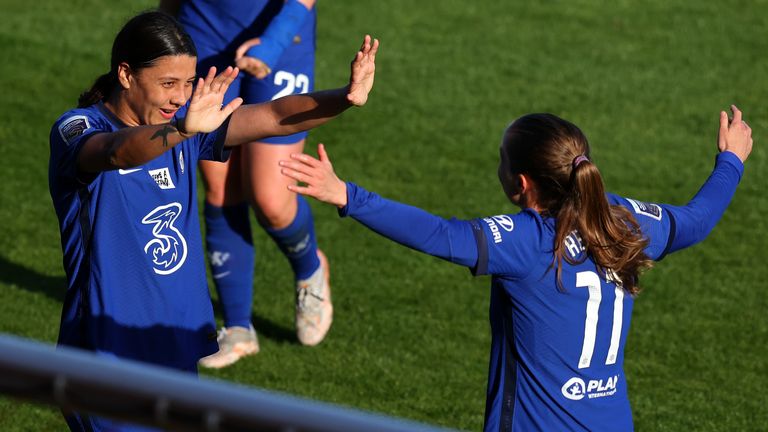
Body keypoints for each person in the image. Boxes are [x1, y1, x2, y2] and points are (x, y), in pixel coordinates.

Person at [278, 108, 752, 431]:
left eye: (502, 160)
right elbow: (697, 220)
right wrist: (730, 161)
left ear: (519, 183)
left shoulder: (527, 242)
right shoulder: (625, 219)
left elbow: (441, 235)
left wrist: (347, 195)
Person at [48, 9, 377, 431]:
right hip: (105, 350)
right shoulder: (78, 129)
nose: (177, 97)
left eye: (187, 84)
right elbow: (114, 152)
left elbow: (274, 117)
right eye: (167, 84)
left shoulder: (182, 124)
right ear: (126, 74)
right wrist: (182, 131)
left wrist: (344, 98)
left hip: (174, 340)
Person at [157, 0, 328, 369]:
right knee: (220, 186)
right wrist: (163, 30)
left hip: (280, 39)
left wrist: (275, 41)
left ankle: (309, 266)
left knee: (270, 198)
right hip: (201, 34)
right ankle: (238, 328)